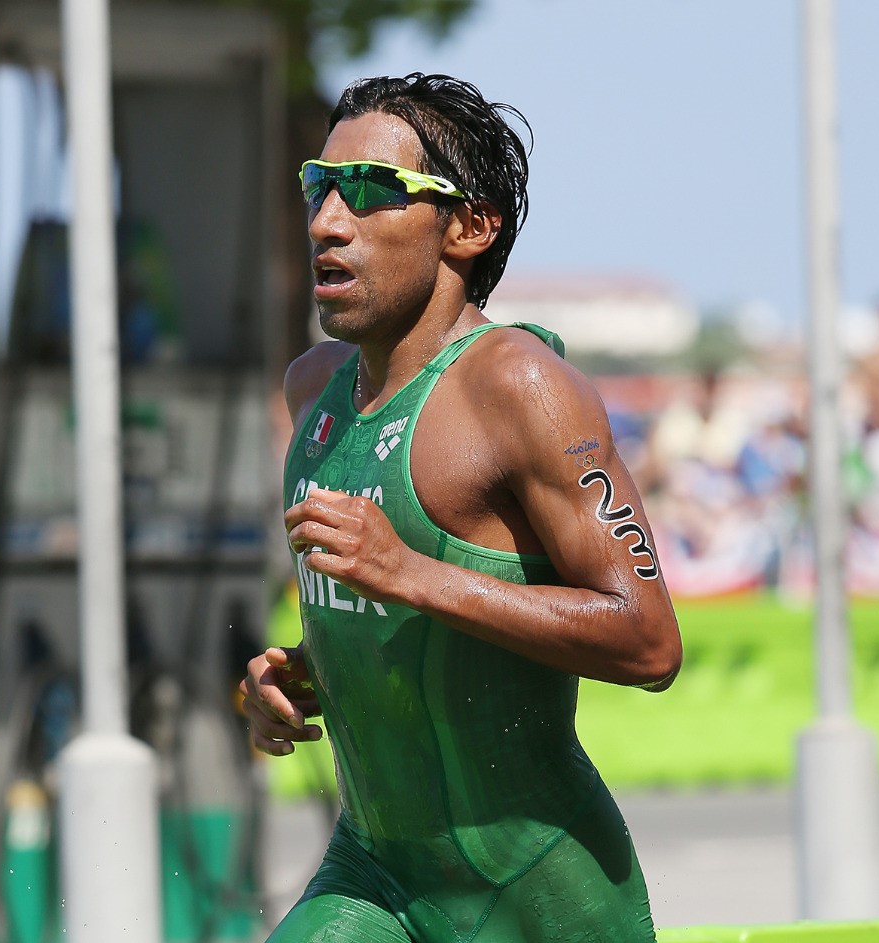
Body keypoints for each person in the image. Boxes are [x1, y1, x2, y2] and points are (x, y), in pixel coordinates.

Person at [240, 73, 682, 942]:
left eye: (369, 192)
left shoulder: (522, 388)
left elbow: (648, 639)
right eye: (318, 186)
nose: (329, 220)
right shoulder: (312, 394)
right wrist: (296, 673)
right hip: (373, 872)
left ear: (469, 227)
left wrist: (408, 573)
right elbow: (407, 633)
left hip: (538, 896)